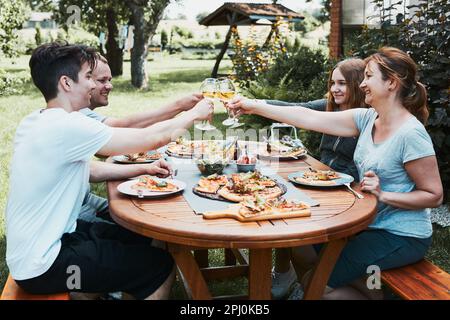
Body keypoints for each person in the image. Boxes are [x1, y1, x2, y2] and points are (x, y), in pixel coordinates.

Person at [229, 47, 443, 299]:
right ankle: (368, 287)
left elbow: (433, 195)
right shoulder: (366, 119)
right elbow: (307, 116)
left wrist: (383, 195)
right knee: (305, 250)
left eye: (369, 76)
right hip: (367, 224)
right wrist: (253, 106)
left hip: (400, 235)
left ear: (391, 83)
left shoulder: (410, 133)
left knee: (314, 284)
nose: (362, 84)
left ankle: (376, 293)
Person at [5, 42, 212, 299]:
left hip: (48, 243)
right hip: (45, 263)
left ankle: (102, 288)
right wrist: (194, 113)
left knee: (142, 238)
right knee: (158, 267)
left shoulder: (37, 119)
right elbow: (152, 138)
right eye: (88, 77)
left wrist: (142, 170)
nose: (93, 85)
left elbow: (84, 168)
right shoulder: (66, 126)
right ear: (67, 83)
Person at [266, 58, 369, 299]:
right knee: (282, 210)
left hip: (348, 193)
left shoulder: (366, 118)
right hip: (319, 182)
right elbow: (294, 108)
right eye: (333, 82)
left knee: (293, 226)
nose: (335, 89)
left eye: (342, 83)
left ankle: (310, 282)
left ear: (357, 84)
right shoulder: (329, 107)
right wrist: (255, 104)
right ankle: (296, 279)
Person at [77, 54, 202, 224]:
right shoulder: (72, 117)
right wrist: (187, 111)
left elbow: (90, 168)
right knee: (151, 228)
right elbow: (123, 129)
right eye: (101, 80)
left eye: (110, 79)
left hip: (84, 200)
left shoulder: (78, 113)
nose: (110, 86)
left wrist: (145, 168)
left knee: (149, 218)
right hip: (73, 215)